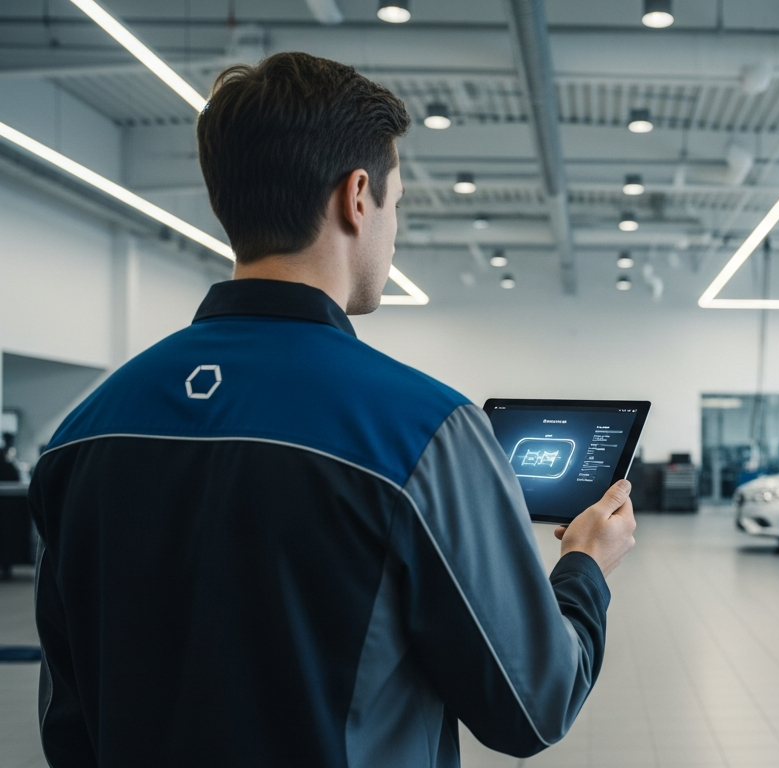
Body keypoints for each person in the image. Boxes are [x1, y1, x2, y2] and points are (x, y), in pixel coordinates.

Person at [27, 52, 635, 768]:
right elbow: (535, 706)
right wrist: (583, 566)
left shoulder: (79, 435)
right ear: (356, 196)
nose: (393, 226)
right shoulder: (423, 432)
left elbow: (68, 724)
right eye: (396, 201)